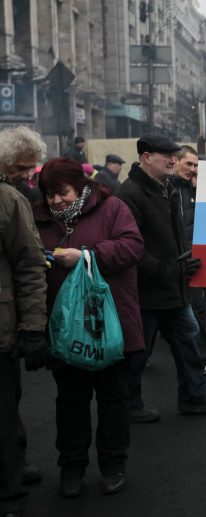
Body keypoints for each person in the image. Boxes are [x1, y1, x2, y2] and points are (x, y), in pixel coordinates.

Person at [34, 158, 144, 498]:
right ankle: (72, 467)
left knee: (113, 398)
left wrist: (84, 256)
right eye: (49, 195)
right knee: (70, 402)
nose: (55, 202)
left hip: (107, 323)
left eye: (61, 193)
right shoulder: (38, 218)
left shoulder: (112, 208)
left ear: (79, 186)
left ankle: (113, 464)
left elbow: (132, 247)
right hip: (64, 326)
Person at [116, 133, 206, 424]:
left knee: (187, 344)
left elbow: (173, 238)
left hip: (173, 288)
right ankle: (128, 404)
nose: (174, 161)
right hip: (147, 292)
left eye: (174, 155)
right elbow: (131, 248)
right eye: (168, 156)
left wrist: (184, 262)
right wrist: (168, 270)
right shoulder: (128, 195)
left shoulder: (167, 189)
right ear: (146, 158)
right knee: (138, 352)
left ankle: (194, 396)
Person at [0, 136, 48, 517]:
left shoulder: (9, 200)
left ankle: (10, 493)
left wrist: (33, 327)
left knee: (3, 416)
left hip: (2, 331)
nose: (26, 175)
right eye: (21, 167)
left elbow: (30, 267)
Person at [170, 146, 206, 375]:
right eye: (189, 165)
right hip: (174, 261)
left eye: (197, 166)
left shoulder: (192, 190)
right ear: (175, 161)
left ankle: (202, 361)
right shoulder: (168, 189)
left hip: (192, 259)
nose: (193, 170)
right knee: (184, 313)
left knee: (195, 310)